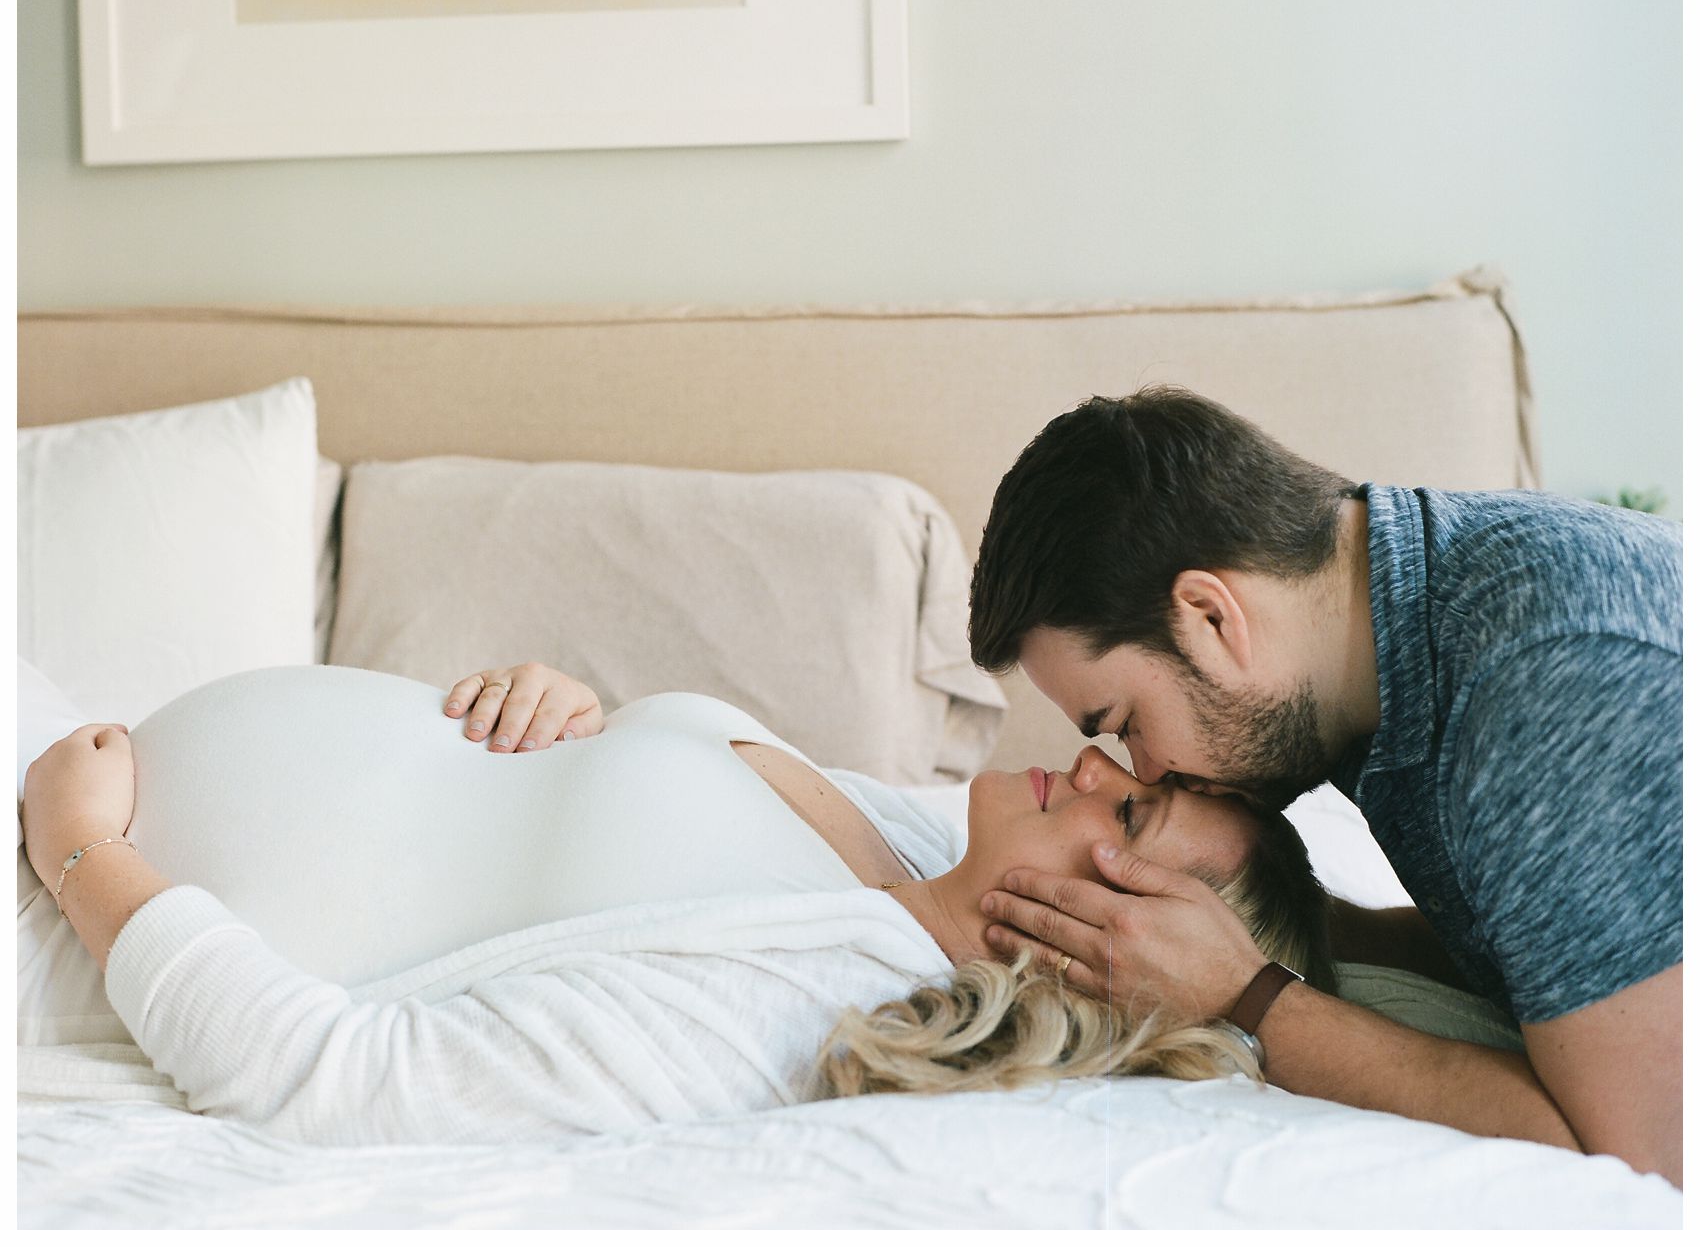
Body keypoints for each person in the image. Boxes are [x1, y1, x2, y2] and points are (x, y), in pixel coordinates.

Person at [18, 660, 1335, 1145]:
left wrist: (79, 846)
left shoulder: (801, 1001)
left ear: (1118, 950)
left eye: (1131, 819)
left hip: (48, 915)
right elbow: (541, 843)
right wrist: (555, 709)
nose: (1099, 766)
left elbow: (344, 1083)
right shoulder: (904, 848)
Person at [965, 386, 1682, 1185]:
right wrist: (1279, 928)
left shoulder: (1547, 693)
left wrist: (1244, 993)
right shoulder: (1380, 651)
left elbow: (1640, 1163)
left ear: (1210, 615)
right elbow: (1540, 944)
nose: (1145, 768)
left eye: (1127, 721)